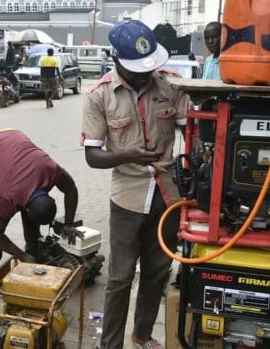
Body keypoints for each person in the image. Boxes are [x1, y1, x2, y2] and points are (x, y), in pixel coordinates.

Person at [81, 19, 189, 349]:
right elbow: (92, 157)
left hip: (169, 196)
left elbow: (194, 134)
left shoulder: (171, 85)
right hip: (127, 199)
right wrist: (126, 154)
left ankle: (142, 335)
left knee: (158, 272)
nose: (146, 75)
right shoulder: (99, 96)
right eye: (137, 69)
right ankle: (109, 345)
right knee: (119, 278)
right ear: (116, 59)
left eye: (149, 67)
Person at [0, 128, 83, 278]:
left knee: (30, 206)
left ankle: (33, 249)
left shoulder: (51, 170)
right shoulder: (9, 197)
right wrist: (20, 256)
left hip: (13, 135)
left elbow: (71, 189)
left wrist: (69, 224)